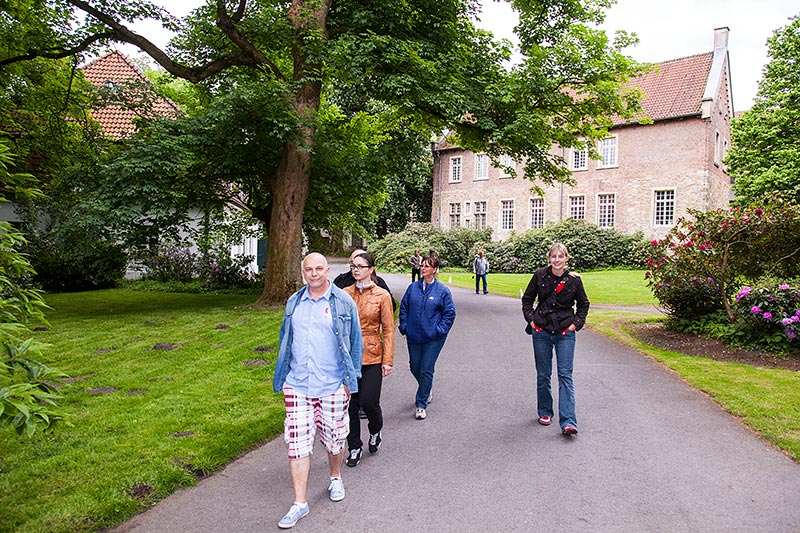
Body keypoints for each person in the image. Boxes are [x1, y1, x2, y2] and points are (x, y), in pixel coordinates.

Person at [273, 253, 363, 529]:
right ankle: (300, 502)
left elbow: (355, 342)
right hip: (298, 385)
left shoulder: (343, 302)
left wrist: (350, 381)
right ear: (303, 272)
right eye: (308, 269)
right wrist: (285, 375)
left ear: (327, 270)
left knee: (335, 439)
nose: (313, 273)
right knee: (297, 443)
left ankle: (335, 476)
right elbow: (285, 339)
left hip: (332, 384)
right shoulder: (294, 303)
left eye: (319, 269)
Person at [521, 243, 589, 436]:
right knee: (543, 374)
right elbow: (527, 300)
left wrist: (575, 324)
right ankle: (545, 411)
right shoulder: (539, 275)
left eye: (561, 256)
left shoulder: (574, 281)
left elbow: (583, 304)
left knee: (565, 375)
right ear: (549, 258)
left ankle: (568, 421)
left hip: (564, 332)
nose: (557, 260)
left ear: (567, 258)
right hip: (541, 330)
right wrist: (532, 320)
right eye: (554, 256)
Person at [343, 252, 394, 467]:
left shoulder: (382, 295)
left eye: (361, 266)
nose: (356, 270)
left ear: (371, 269)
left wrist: (387, 360)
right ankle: (354, 446)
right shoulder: (344, 294)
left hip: (373, 354)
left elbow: (389, 330)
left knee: (369, 402)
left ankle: (376, 431)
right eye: (353, 266)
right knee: (350, 406)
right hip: (348, 356)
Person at [399, 255, 456, 420]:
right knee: (414, 367)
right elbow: (404, 307)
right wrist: (404, 326)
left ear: (434, 270)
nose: (423, 268)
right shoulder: (412, 288)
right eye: (422, 265)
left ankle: (421, 404)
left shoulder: (442, 291)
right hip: (414, 335)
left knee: (426, 369)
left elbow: (449, 313)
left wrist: (439, 330)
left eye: (427, 266)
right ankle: (426, 386)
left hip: (433, 338)